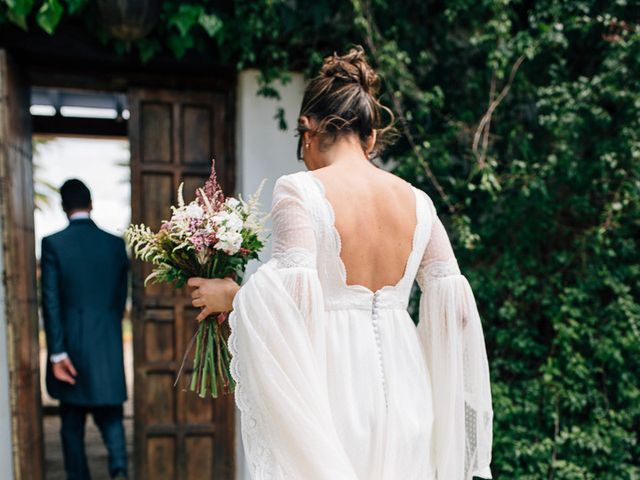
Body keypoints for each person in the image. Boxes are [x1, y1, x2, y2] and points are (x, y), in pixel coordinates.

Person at [188, 45, 493, 480]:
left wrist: (234, 297)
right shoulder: (419, 203)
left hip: (335, 388)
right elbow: (458, 310)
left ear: (307, 129)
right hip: (409, 391)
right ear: (370, 137)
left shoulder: (299, 190)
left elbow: (291, 301)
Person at [41, 179, 129, 480]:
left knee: (72, 426)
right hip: (107, 343)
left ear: (63, 207)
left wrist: (56, 353)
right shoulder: (115, 245)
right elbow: (119, 301)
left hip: (71, 351)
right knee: (112, 419)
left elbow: (50, 302)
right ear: (91, 204)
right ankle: (119, 473)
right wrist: (106, 327)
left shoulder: (53, 244)